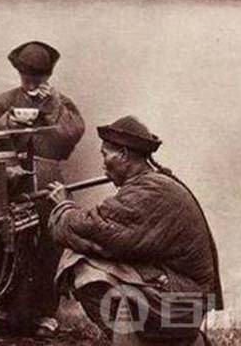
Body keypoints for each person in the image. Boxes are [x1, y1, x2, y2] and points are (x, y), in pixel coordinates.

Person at [47, 116, 223, 344]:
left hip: (186, 307)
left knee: (81, 265)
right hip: (186, 299)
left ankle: (162, 340)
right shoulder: (152, 184)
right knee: (91, 257)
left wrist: (63, 206)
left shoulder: (151, 190)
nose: (103, 164)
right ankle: (176, 341)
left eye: (105, 155)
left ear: (123, 154)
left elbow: (92, 229)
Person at [0, 40, 86, 338]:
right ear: (19, 74)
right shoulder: (6, 100)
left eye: (38, 78)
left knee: (47, 244)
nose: (32, 84)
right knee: (5, 243)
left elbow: (72, 136)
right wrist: (7, 122)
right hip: (10, 179)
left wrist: (53, 106)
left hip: (47, 179)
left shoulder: (61, 102)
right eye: (27, 78)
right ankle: (2, 309)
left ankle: (45, 313)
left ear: (48, 76)